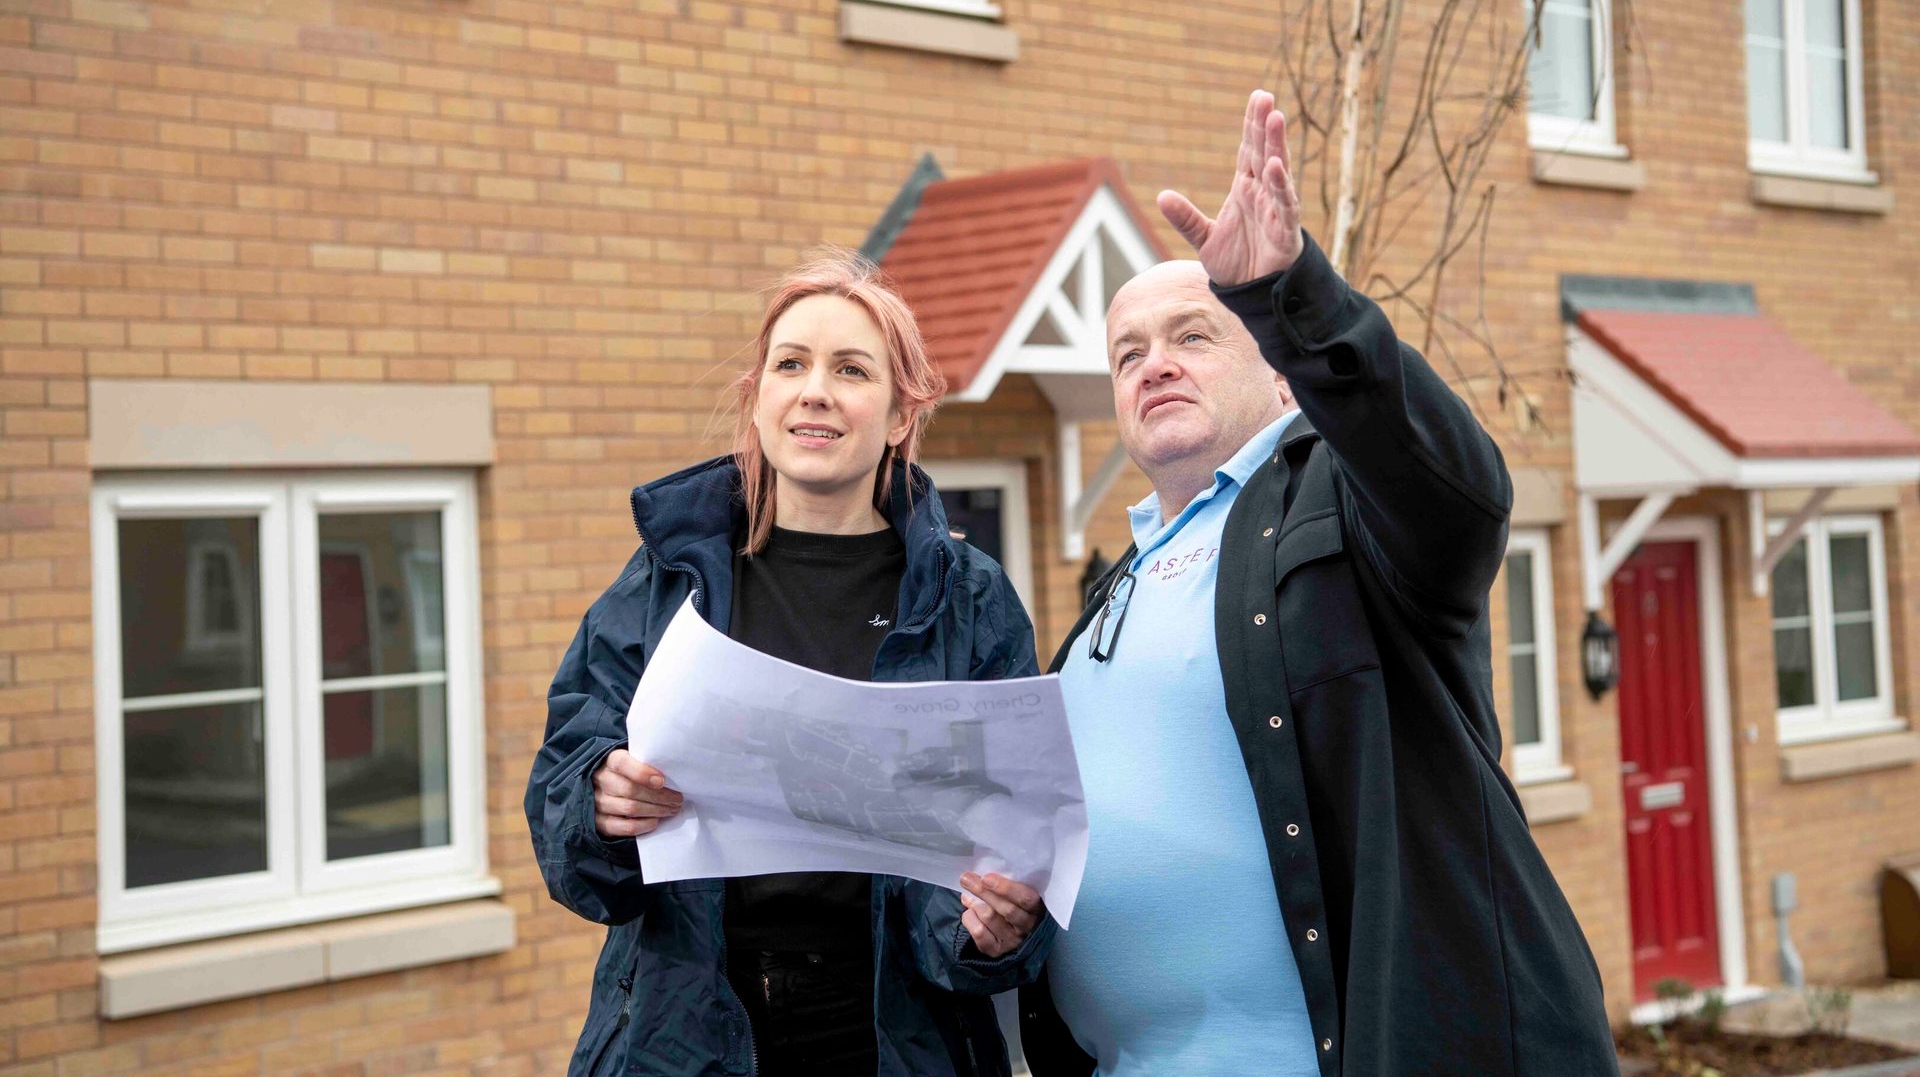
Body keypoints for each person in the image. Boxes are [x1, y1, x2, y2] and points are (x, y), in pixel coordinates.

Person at [1017, 91, 1616, 1076]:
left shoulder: (1340, 500)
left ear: (1285, 375)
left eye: (1194, 335)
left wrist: (1292, 298)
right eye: (1128, 352)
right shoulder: (1107, 592)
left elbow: (1457, 488)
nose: (1154, 364)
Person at [527, 249, 1052, 1077]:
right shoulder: (672, 578)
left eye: (851, 369)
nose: (816, 390)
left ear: (901, 415)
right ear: (759, 399)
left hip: (891, 1041)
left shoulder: (968, 599)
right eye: (791, 365)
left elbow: (1014, 841)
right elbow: (562, 786)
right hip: (686, 1033)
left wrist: (995, 927)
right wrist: (598, 799)